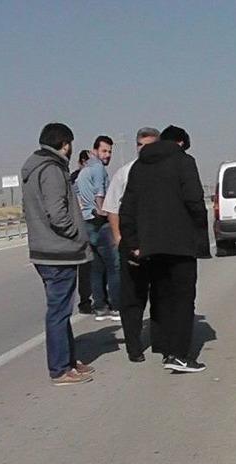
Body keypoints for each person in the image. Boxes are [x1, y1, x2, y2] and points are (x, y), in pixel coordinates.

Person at [120, 125, 210, 373]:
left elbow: (127, 208)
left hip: (151, 246)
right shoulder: (184, 162)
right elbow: (194, 200)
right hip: (180, 244)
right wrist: (199, 235)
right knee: (182, 299)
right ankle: (179, 354)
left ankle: (164, 346)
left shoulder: (139, 167)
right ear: (181, 143)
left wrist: (133, 244)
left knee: (161, 297)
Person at [21, 123, 95, 385]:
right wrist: (78, 235)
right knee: (58, 312)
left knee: (61, 310)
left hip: (45, 249)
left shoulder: (34, 166)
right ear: (64, 143)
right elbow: (57, 213)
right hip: (58, 252)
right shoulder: (52, 169)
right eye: (70, 144)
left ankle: (68, 360)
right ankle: (60, 369)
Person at [102, 127, 159, 362]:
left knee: (162, 294)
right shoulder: (125, 173)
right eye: (140, 145)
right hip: (132, 245)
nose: (143, 149)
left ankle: (162, 338)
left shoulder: (164, 173)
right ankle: (134, 347)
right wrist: (118, 238)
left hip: (159, 244)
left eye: (149, 145)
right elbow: (112, 208)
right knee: (133, 298)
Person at [75, 135, 120, 322]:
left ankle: (100, 306)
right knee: (113, 265)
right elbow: (99, 194)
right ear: (95, 151)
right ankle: (116, 305)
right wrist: (103, 211)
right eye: (104, 151)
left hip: (86, 221)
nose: (107, 155)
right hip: (97, 221)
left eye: (110, 151)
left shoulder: (83, 171)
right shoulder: (98, 169)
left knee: (96, 267)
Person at [71, 149, 93, 314]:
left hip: (82, 223)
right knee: (87, 266)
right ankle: (86, 301)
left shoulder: (75, 177)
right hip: (84, 223)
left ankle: (87, 301)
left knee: (88, 266)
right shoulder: (76, 178)